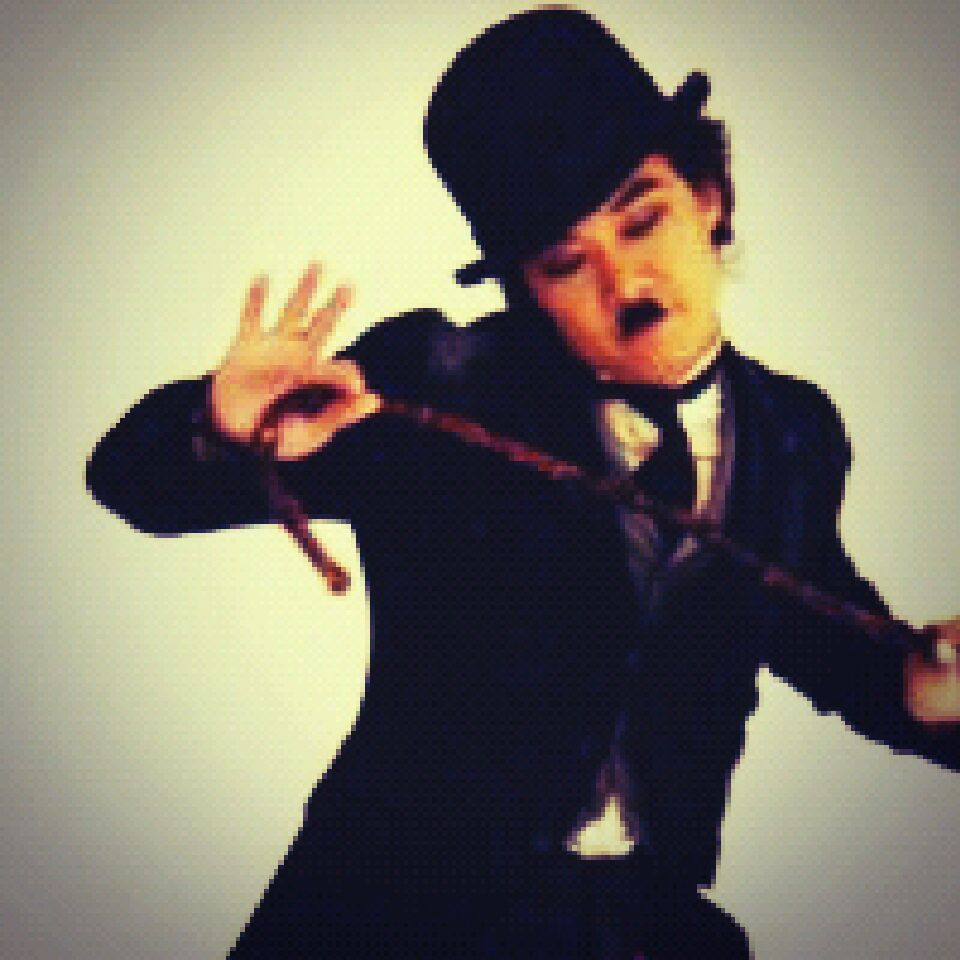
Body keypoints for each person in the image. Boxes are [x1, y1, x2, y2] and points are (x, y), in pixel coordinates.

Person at [86, 8, 959, 959]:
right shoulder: (441, 386)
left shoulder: (794, 432)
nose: (626, 284)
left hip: (636, 926)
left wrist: (914, 690)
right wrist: (222, 428)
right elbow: (138, 482)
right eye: (565, 263)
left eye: (643, 220)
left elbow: (816, 622)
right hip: (391, 918)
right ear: (527, 291)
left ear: (708, 196)